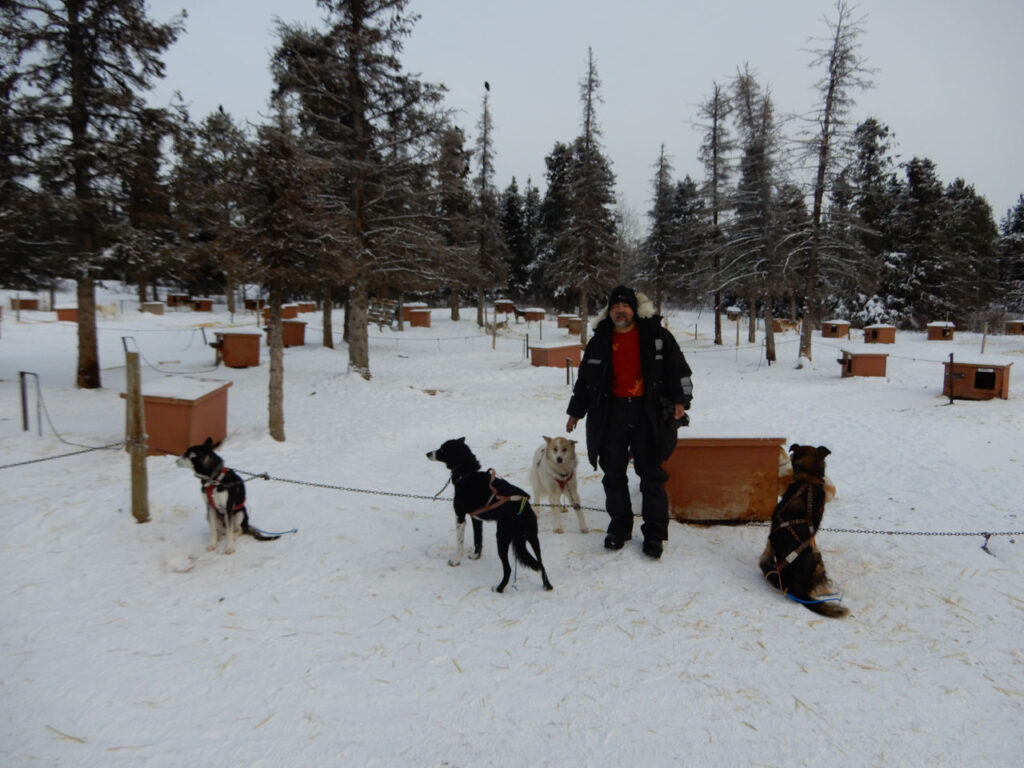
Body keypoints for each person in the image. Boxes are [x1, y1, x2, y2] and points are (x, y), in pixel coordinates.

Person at [565, 285, 693, 559]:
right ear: (608, 311)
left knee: (651, 475)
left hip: (647, 413)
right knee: (613, 474)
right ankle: (620, 527)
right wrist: (576, 411)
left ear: (634, 309)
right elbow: (585, 380)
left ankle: (655, 534)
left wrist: (680, 400)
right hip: (611, 414)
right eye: (614, 307)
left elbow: (678, 370)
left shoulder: (657, 336)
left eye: (624, 307)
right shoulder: (600, 340)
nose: (619, 311)